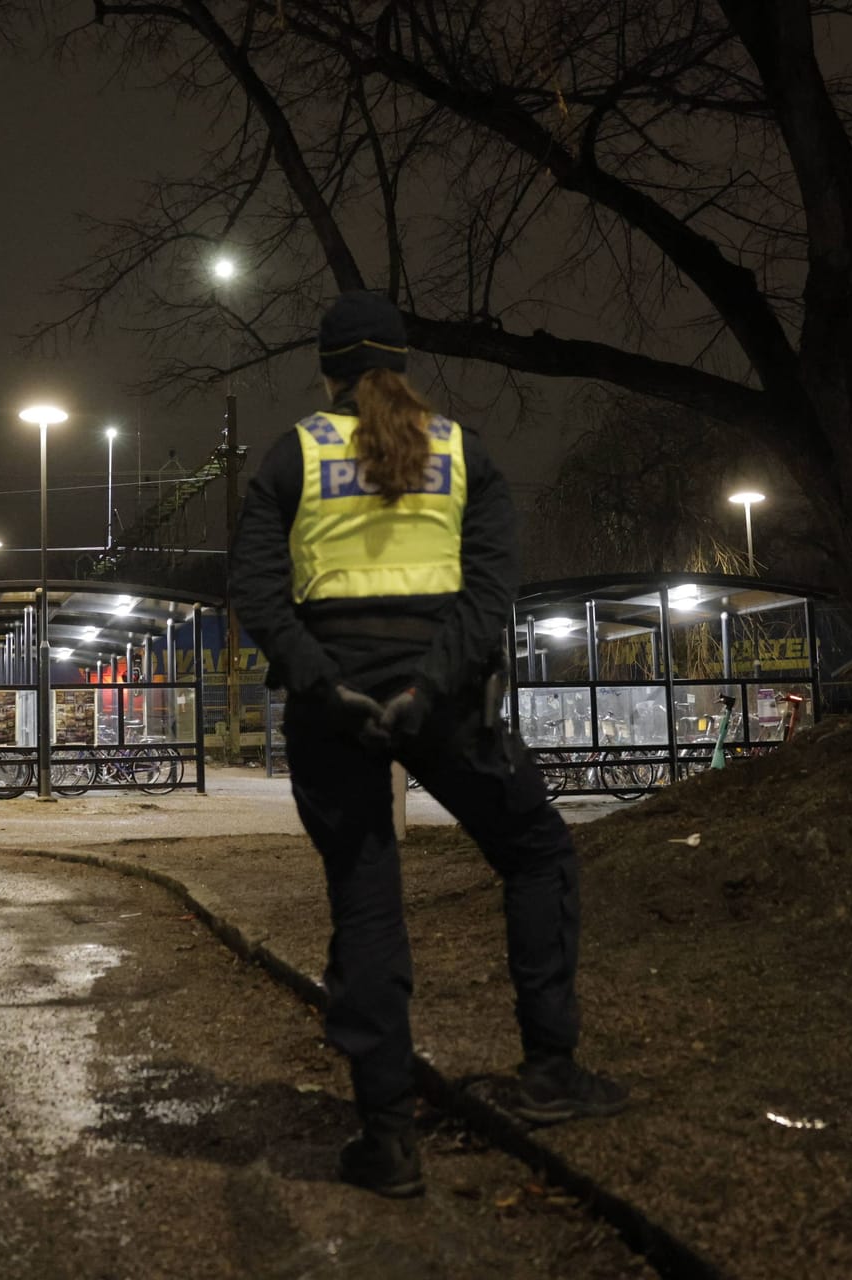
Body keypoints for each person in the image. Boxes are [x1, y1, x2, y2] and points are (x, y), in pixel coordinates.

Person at [231, 290, 628, 1199]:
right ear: (403, 363)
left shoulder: (294, 453)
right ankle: (551, 1072)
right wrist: (427, 689)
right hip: (446, 706)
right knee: (536, 853)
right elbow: (491, 595)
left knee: (367, 906)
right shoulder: (461, 452)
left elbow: (254, 587)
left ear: (326, 370)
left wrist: (327, 685)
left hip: (334, 712)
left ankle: (388, 1139)